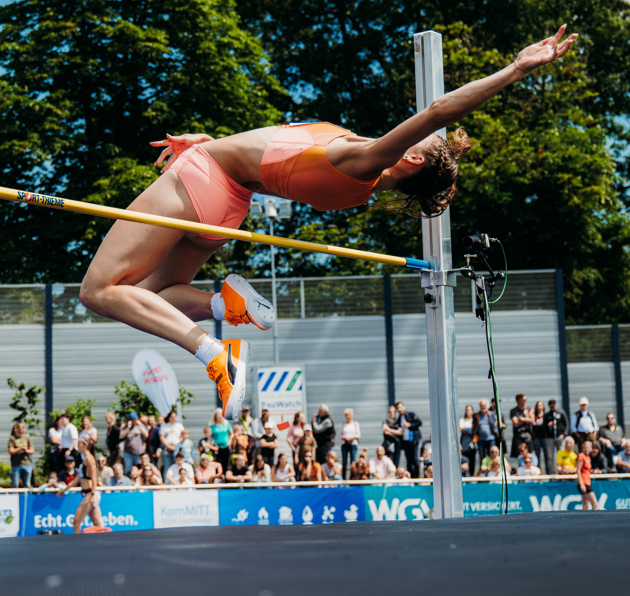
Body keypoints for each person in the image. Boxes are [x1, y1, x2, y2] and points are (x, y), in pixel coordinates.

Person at [77, 28, 577, 419]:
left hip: (208, 182)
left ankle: (213, 351)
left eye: (428, 141)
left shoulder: (369, 159)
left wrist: (515, 69)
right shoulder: (361, 176)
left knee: (99, 291)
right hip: (226, 196)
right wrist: (213, 144)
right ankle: (223, 304)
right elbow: (273, 153)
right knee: (149, 296)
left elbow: (441, 107)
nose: (426, 130)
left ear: (415, 162)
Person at [59, 437, 105, 533]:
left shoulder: (90, 458)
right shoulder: (84, 459)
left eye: (79, 444)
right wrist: (64, 490)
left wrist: (92, 494)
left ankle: (77, 546)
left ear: (85, 445)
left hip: (90, 494)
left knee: (76, 522)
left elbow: (94, 477)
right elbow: (77, 479)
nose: (78, 446)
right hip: (87, 493)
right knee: (98, 524)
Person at [396, 401, 422, 478]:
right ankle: (410, 477)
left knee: (415, 459)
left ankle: (416, 477)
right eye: (398, 408)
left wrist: (410, 425)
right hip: (405, 441)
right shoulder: (399, 419)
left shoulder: (411, 414)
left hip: (413, 440)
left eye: (400, 407)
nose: (400, 409)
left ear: (404, 407)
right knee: (409, 460)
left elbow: (419, 423)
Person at [543, 399, 568, 476]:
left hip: (559, 436)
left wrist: (564, 434)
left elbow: (566, 424)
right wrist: (548, 425)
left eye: (553, 406)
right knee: (550, 456)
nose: (552, 408)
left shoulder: (561, 413)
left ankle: (562, 473)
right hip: (550, 438)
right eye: (551, 407)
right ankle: (552, 473)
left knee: (561, 454)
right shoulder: (547, 415)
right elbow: (543, 426)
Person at [472, 400, 498, 468]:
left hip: (490, 438)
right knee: (482, 456)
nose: (483, 407)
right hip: (480, 439)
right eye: (481, 406)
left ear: (487, 406)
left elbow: (495, 424)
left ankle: (492, 468)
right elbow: (474, 426)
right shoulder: (476, 415)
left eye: (484, 406)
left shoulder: (491, 414)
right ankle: (483, 470)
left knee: (492, 455)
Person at [8, 422, 35, 489]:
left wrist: (26, 450)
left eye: (22, 427)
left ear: (25, 428)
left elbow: (32, 451)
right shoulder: (12, 438)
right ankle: (14, 498)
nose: (21, 429)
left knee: (27, 483)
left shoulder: (27, 438)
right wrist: (20, 449)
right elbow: (11, 451)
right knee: (15, 483)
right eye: (19, 427)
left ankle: (27, 498)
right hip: (16, 464)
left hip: (27, 463)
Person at [158, 409, 183, 480]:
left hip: (177, 447)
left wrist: (176, 445)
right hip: (167, 448)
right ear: (169, 418)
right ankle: (167, 483)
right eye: (172, 417)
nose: (173, 418)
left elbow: (182, 436)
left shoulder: (179, 426)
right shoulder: (164, 426)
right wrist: (168, 446)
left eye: (175, 417)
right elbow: (162, 437)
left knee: (177, 466)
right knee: (167, 466)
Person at [510, 393, 534, 458]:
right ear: (518, 400)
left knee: (530, 453)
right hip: (518, 435)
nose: (525, 401)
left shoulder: (529, 409)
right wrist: (526, 419)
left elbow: (532, 421)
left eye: (525, 400)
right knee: (520, 453)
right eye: (523, 400)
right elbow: (515, 424)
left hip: (528, 434)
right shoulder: (514, 411)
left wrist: (521, 418)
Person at [339, 408, 361, 480]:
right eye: (346, 415)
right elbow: (339, 435)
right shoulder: (343, 424)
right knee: (344, 461)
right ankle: (344, 477)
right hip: (345, 444)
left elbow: (358, 434)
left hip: (352, 444)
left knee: (353, 461)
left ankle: (352, 477)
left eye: (348, 415)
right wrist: (344, 437)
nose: (347, 417)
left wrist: (351, 437)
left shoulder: (355, 424)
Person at [576, 440, 598, 510]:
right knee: (594, 503)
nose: (587, 449)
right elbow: (578, 470)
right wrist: (581, 484)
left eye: (588, 448)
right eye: (585, 448)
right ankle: (594, 517)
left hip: (587, 481)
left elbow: (586, 469)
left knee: (585, 504)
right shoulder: (581, 456)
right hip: (584, 483)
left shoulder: (588, 457)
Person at [210, 408, 233, 472]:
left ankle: (225, 478)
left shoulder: (226, 424)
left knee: (225, 463)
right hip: (216, 448)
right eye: (217, 414)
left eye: (220, 414)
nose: (218, 416)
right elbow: (209, 436)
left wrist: (229, 442)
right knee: (217, 463)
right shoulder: (211, 426)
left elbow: (232, 434)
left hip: (225, 447)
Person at [459, 405, 477, 477]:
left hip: (472, 442)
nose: (468, 411)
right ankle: (466, 474)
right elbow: (461, 429)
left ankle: (472, 474)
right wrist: (470, 431)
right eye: (467, 410)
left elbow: (476, 428)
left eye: (470, 410)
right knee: (465, 458)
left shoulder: (475, 420)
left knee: (472, 458)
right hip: (465, 442)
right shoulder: (462, 420)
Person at [531, 401, 547, 469]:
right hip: (536, 438)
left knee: (547, 455)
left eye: (541, 405)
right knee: (537, 455)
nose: (539, 407)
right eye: (538, 406)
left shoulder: (546, 416)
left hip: (545, 437)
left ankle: (548, 471)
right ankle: (538, 469)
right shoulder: (534, 416)